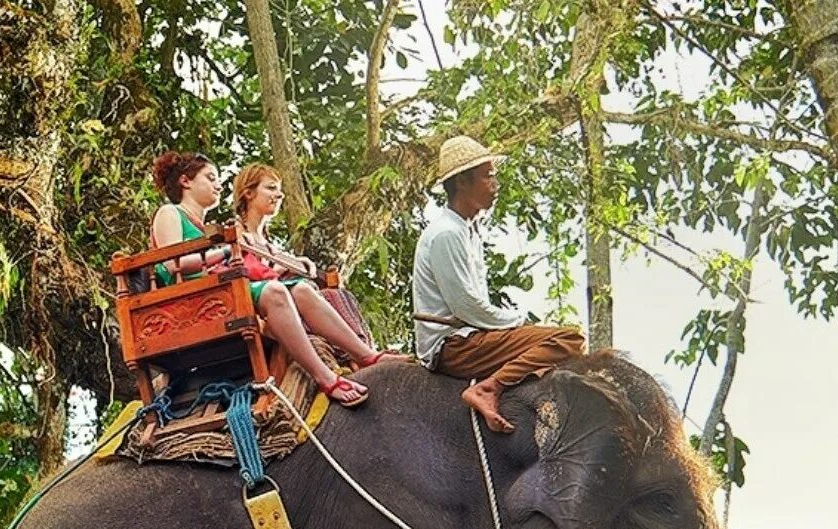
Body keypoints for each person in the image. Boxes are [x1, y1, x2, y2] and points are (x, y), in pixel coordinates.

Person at [147, 151, 370, 406]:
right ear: (186, 182)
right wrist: (225, 251)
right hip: (194, 302)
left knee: (302, 290)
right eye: (210, 178)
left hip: (219, 293)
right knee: (275, 291)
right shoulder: (169, 212)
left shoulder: (205, 228)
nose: (218, 185)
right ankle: (326, 377)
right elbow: (170, 263)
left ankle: (366, 355)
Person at [412, 135, 587, 433]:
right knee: (569, 339)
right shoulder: (446, 234)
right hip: (456, 345)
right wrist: (517, 321)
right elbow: (466, 307)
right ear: (463, 183)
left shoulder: (468, 229)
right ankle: (488, 388)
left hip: (471, 335)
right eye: (488, 176)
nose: (495, 184)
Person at [232, 163, 412, 376]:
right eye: (271, 188)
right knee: (304, 290)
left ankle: (363, 353)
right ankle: (357, 356)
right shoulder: (235, 231)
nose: (279, 195)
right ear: (248, 193)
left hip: (279, 295)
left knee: (333, 294)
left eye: (279, 189)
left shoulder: (267, 242)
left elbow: (269, 264)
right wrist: (282, 268)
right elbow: (245, 269)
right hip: (261, 300)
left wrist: (294, 262)